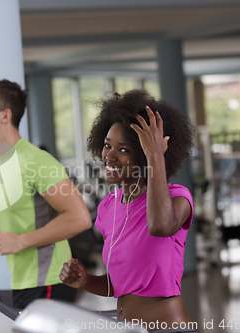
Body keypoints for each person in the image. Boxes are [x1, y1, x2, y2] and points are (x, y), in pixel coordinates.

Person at [59, 90, 195, 332]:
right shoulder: (107, 208)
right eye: (107, 146)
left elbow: (161, 226)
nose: (108, 156)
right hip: (126, 326)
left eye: (123, 150)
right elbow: (120, 284)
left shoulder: (177, 197)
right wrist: (85, 280)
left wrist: (155, 155)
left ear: (144, 155)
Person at [0, 79, 92, 309]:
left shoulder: (36, 160)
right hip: (23, 282)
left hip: (51, 281)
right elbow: (8, 222)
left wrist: (21, 241)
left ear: (5, 115)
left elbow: (80, 218)